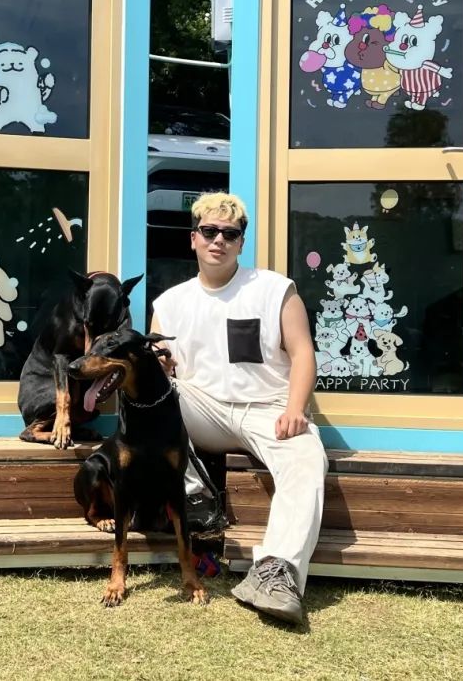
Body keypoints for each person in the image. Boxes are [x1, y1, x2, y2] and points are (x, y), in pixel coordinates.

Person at [150, 192, 327, 626]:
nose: (219, 241)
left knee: (307, 456)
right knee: (151, 386)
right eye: (209, 231)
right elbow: (159, 367)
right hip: (203, 408)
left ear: (241, 243)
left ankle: (276, 573)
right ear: (193, 238)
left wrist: (296, 408)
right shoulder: (169, 303)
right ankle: (194, 493)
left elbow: (303, 353)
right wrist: (160, 366)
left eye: (229, 234)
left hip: (269, 408)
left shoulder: (274, 289)